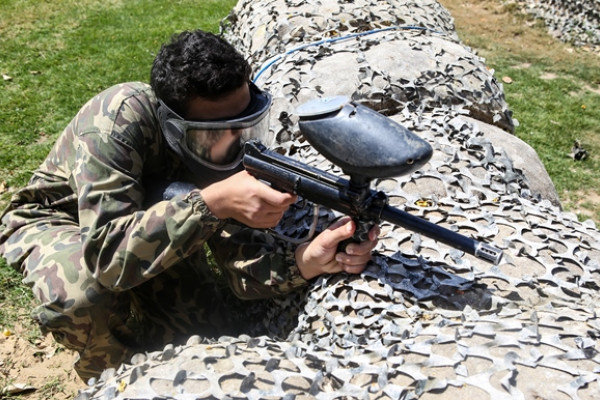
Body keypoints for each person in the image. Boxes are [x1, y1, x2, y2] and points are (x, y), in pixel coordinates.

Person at [0, 30, 379, 381]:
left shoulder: (219, 145)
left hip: (154, 210)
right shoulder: (115, 120)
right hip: (62, 220)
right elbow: (107, 260)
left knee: (204, 332)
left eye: (246, 124)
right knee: (83, 297)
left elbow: (238, 262)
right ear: (174, 126)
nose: (236, 144)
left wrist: (305, 260)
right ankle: (107, 377)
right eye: (218, 134)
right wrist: (214, 202)